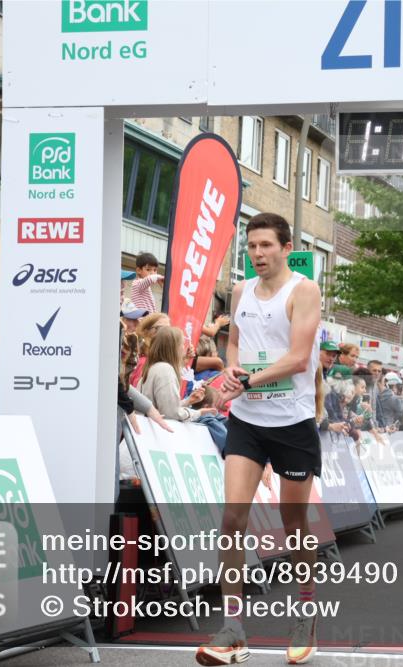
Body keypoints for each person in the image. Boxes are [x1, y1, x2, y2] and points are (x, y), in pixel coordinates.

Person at [197, 213, 323, 666]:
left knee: (294, 525)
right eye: (251, 246)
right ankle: (233, 628)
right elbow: (234, 342)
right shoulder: (241, 290)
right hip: (248, 422)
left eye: (266, 245)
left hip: (291, 423)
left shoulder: (303, 291)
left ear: (287, 248)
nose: (257, 254)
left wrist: (248, 381)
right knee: (232, 518)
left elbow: (298, 358)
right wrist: (231, 368)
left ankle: (305, 613)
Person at [138, 326, 214, 423]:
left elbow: (164, 407)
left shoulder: (155, 367)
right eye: (182, 344)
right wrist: (198, 413)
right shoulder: (165, 370)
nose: (184, 347)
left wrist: (188, 401)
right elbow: (171, 414)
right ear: (174, 348)